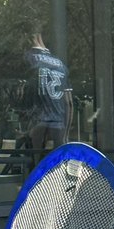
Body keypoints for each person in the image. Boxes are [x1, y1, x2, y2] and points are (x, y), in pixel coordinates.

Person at [21, 31, 72, 164]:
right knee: (59, 161)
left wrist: (26, 126)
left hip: (40, 120)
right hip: (58, 122)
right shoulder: (60, 64)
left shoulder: (29, 58)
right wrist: (66, 134)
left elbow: (23, 93)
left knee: (35, 158)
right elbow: (68, 103)